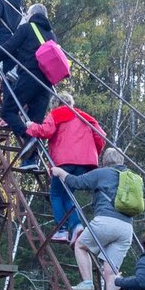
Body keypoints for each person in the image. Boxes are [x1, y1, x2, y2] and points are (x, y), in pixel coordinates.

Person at [52, 148, 132, 290]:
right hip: (126, 228)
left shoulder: (103, 173)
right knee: (111, 271)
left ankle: (87, 282)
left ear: (105, 160)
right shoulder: (131, 177)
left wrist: (59, 172)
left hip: (105, 221)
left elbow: (76, 182)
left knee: (81, 245)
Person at [26, 93, 106, 243]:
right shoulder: (85, 117)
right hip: (85, 164)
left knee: (56, 194)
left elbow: (46, 131)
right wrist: (92, 153)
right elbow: (101, 136)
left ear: (55, 104)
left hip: (64, 162)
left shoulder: (57, 113)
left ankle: (62, 230)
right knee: (67, 195)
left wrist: (31, 126)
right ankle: (76, 226)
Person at [0, 4, 57, 167]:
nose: (26, 16)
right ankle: (31, 160)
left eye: (27, 14)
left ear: (32, 14)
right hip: (47, 83)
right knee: (35, 120)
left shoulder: (27, 28)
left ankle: (27, 137)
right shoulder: (51, 35)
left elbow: (8, 47)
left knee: (8, 111)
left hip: (29, 76)